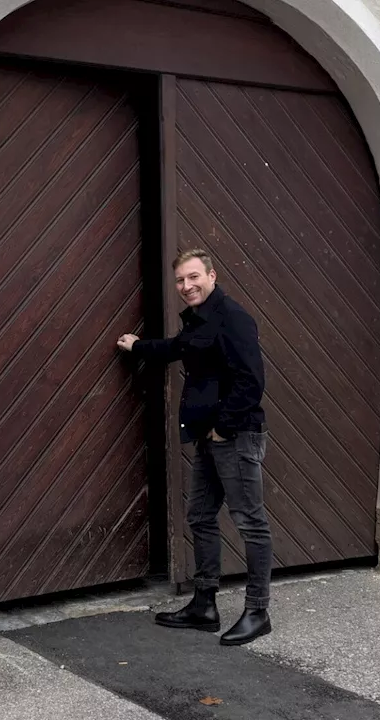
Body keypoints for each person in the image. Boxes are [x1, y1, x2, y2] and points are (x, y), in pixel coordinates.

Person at [117, 249, 272, 646]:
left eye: (193, 277)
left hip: (234, 437)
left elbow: (251, 382)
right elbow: (175, 348)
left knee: (250, 523)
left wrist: (222, 428)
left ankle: (257, 611)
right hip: (208, 436)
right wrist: (138, 347)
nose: (186, 286)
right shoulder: (199, 321)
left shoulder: (233, 318)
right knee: (200, 516)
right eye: (180, 281)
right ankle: (204, 605)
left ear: (212, 275)